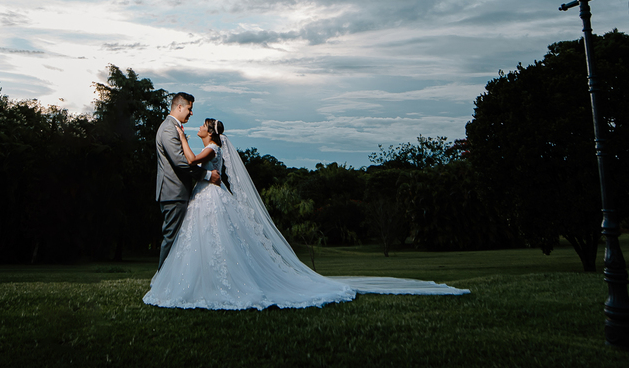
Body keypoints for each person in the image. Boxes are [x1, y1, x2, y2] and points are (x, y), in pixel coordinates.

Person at [144, 116, 469, 310]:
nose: (198, 126)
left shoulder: (210, 147)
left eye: (202, 125)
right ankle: (202, 282)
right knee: (203, 242)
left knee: (213, 242)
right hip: (208, 196)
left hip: (210, 197)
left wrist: (183, 141)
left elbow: (190, 163)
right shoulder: (213, 147)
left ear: (211, 134)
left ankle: (214, 285)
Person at [154, 93, 220, 269]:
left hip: (177, 192)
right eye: (190, 109)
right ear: (179, 107)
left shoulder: (174, 127)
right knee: (172, 238)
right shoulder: (169, 128)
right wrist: (207, 175)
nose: (191, 113)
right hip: (173, 192)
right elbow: (180, 161)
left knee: (178, 240)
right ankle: (160, 282)